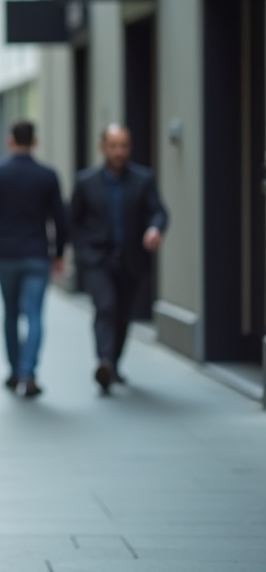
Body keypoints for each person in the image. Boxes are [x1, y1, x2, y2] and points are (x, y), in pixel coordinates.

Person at [0, 120, 69, 398]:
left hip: (7, 255)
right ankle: (29, 373)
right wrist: (59, 253)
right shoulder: (47, 175)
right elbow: (60, 219)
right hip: (37, 254)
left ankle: (14, 372)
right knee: (35, 315)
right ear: (34, 142)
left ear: (10, 141)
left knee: (10, 313)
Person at [71, 124, 169, 395]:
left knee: (123, 314)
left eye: (123, 146)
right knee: (106, 307)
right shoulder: (86, 181)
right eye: (113, 146)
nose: (119, 152)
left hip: (131, 260)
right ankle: (103, 361)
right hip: (97, 259)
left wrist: (155, 229)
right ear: (102, 147)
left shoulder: (143, 179)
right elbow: (74, 221)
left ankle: (112, 364)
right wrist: (83, 251)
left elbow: (158, 212)